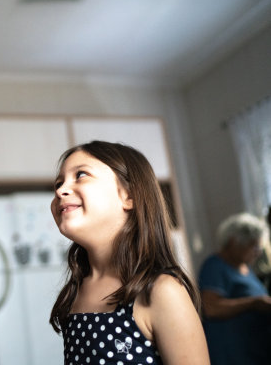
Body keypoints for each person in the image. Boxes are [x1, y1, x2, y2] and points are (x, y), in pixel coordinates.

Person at [48, 141, 209, 365]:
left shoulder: (161, 291)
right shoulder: (76, 290)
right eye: (59, 182)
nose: (60, 190)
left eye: (81, 174)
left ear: (129, 196)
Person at [198, 212, 271, 364]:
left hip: (255, 352)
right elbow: (211, 308)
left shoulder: (246, 269)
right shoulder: (215, 266)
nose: (258, 252)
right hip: (233, 356)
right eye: (254, 246)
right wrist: (254, 303)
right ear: (233, 242)